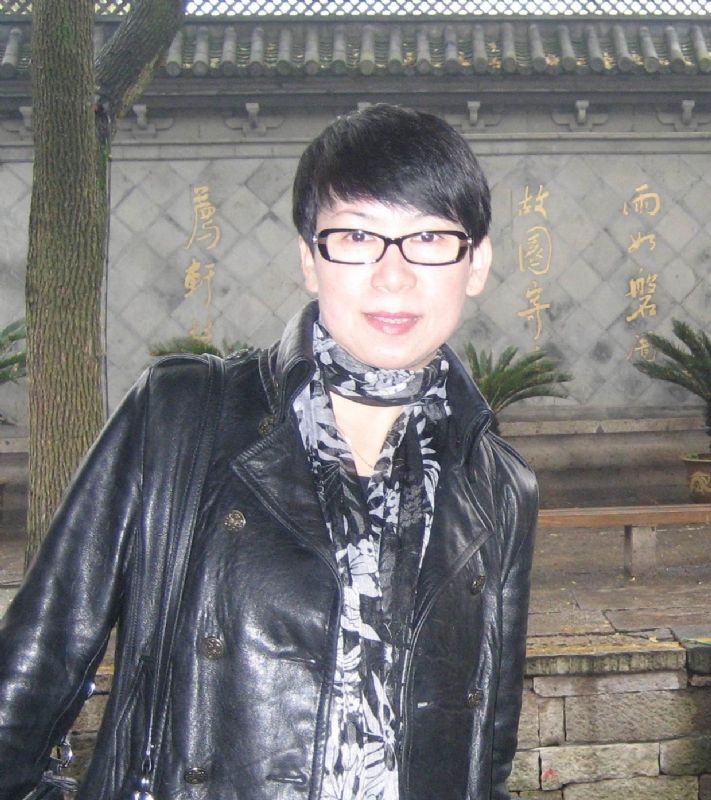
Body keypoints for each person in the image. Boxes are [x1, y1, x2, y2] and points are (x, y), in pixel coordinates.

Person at [0, 104, 537, 800]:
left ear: (476, 263)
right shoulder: (182, 414)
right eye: (356, 236)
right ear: (310, 259)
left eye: (429, 238)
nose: (393, 275)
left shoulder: (498, 486)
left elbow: (485, 757)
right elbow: (30, 675)